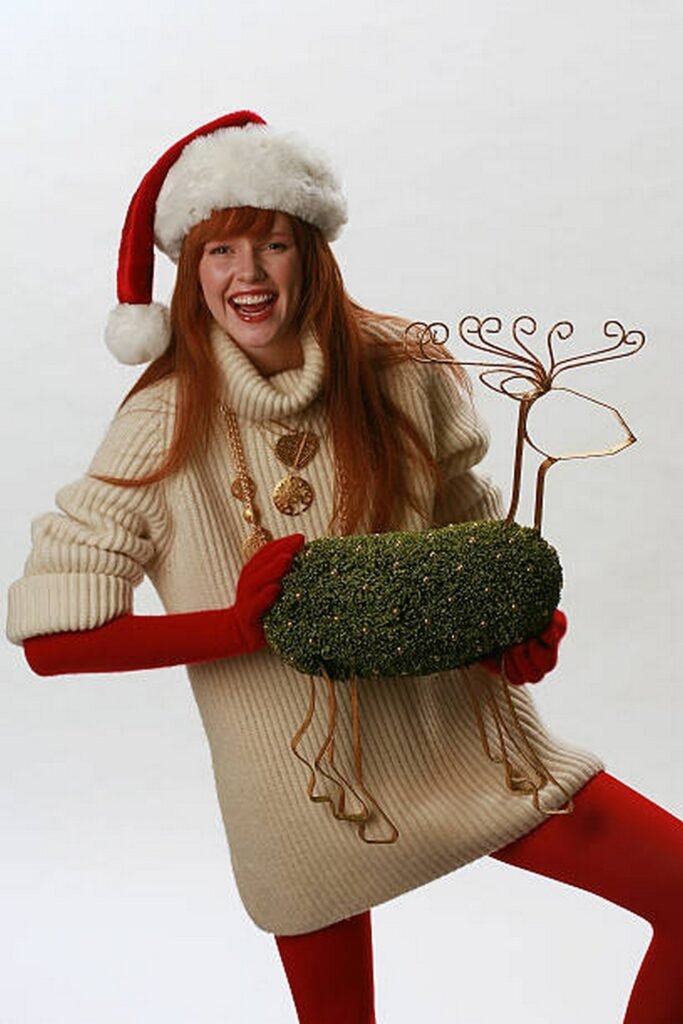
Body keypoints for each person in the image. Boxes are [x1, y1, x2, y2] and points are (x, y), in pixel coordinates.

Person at [6, 111, 682, 1024]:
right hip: (303, 786)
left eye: (273, 244)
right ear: (190, 272)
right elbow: (52, 642)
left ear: (312, 254)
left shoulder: (405, 369)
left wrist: (515, 633)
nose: (247, 274)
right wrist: (234, 627)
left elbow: (468, 545)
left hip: (469, 744)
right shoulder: (159, 423)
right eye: (220, 251)